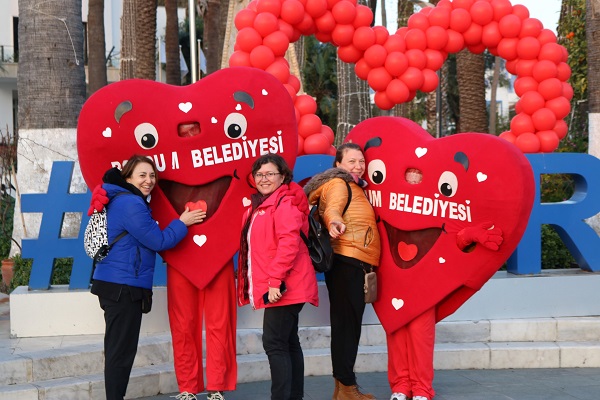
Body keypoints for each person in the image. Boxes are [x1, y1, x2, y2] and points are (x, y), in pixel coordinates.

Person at [90, 155, 205, 400]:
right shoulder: (131, 204)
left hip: (115, 284)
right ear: (128, 177)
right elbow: (159, 240)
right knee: (121, 351)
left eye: (152, 175)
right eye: (142, 175)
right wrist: (182, 222)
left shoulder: (119, 199)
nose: (149, 180)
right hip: (123, 286)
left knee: (117, 348)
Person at [238, 153, 319, 400]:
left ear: (282, 177)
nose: (264, 179)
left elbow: (288, 244)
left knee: (274, 343)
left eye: (270, 174)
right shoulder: (265, 204)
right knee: (288, 342)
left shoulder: (285, 204)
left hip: (285, 286)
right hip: (285, 284)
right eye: (259, 174)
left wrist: (275, 281)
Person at [303, 143, 381, 400]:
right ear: (338, 165)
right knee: (347, 326)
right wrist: (334, 220)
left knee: (345, 325)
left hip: (351, 261)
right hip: (349, 261)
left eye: (361, 161)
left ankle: (343, 388)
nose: (358, 166)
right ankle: (347, 387)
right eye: (351, 161)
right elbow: (333, 208)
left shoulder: (354, 185)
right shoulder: (339, 184)